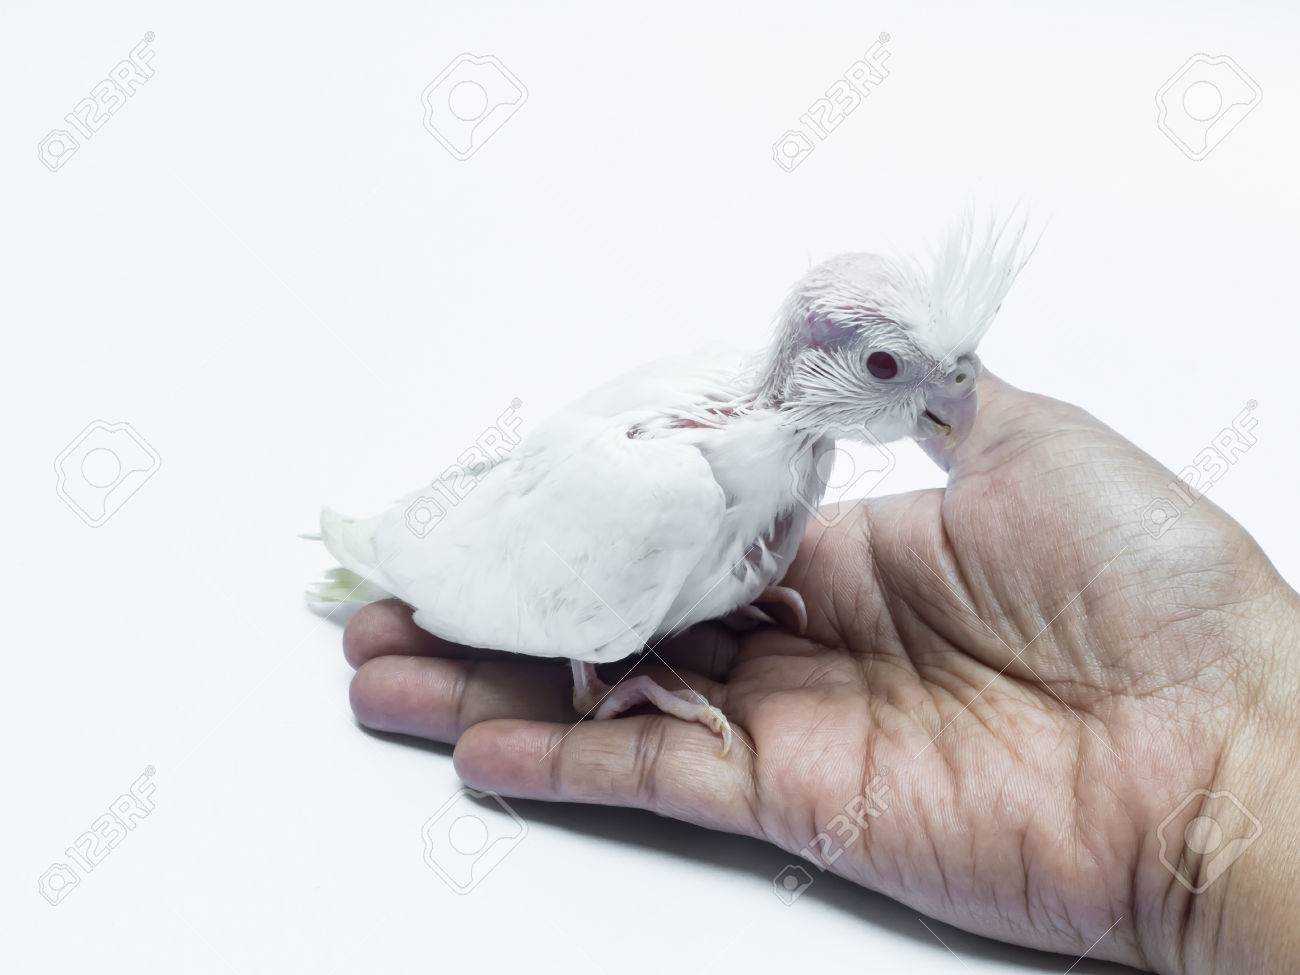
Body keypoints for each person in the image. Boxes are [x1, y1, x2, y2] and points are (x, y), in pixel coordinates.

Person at [342, 375, 1299, 973]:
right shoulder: (666, 481)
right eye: (885, 369)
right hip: (510, 569)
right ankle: (608, 676)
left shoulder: (798, 466)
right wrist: (616, 670)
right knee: (613, 613)